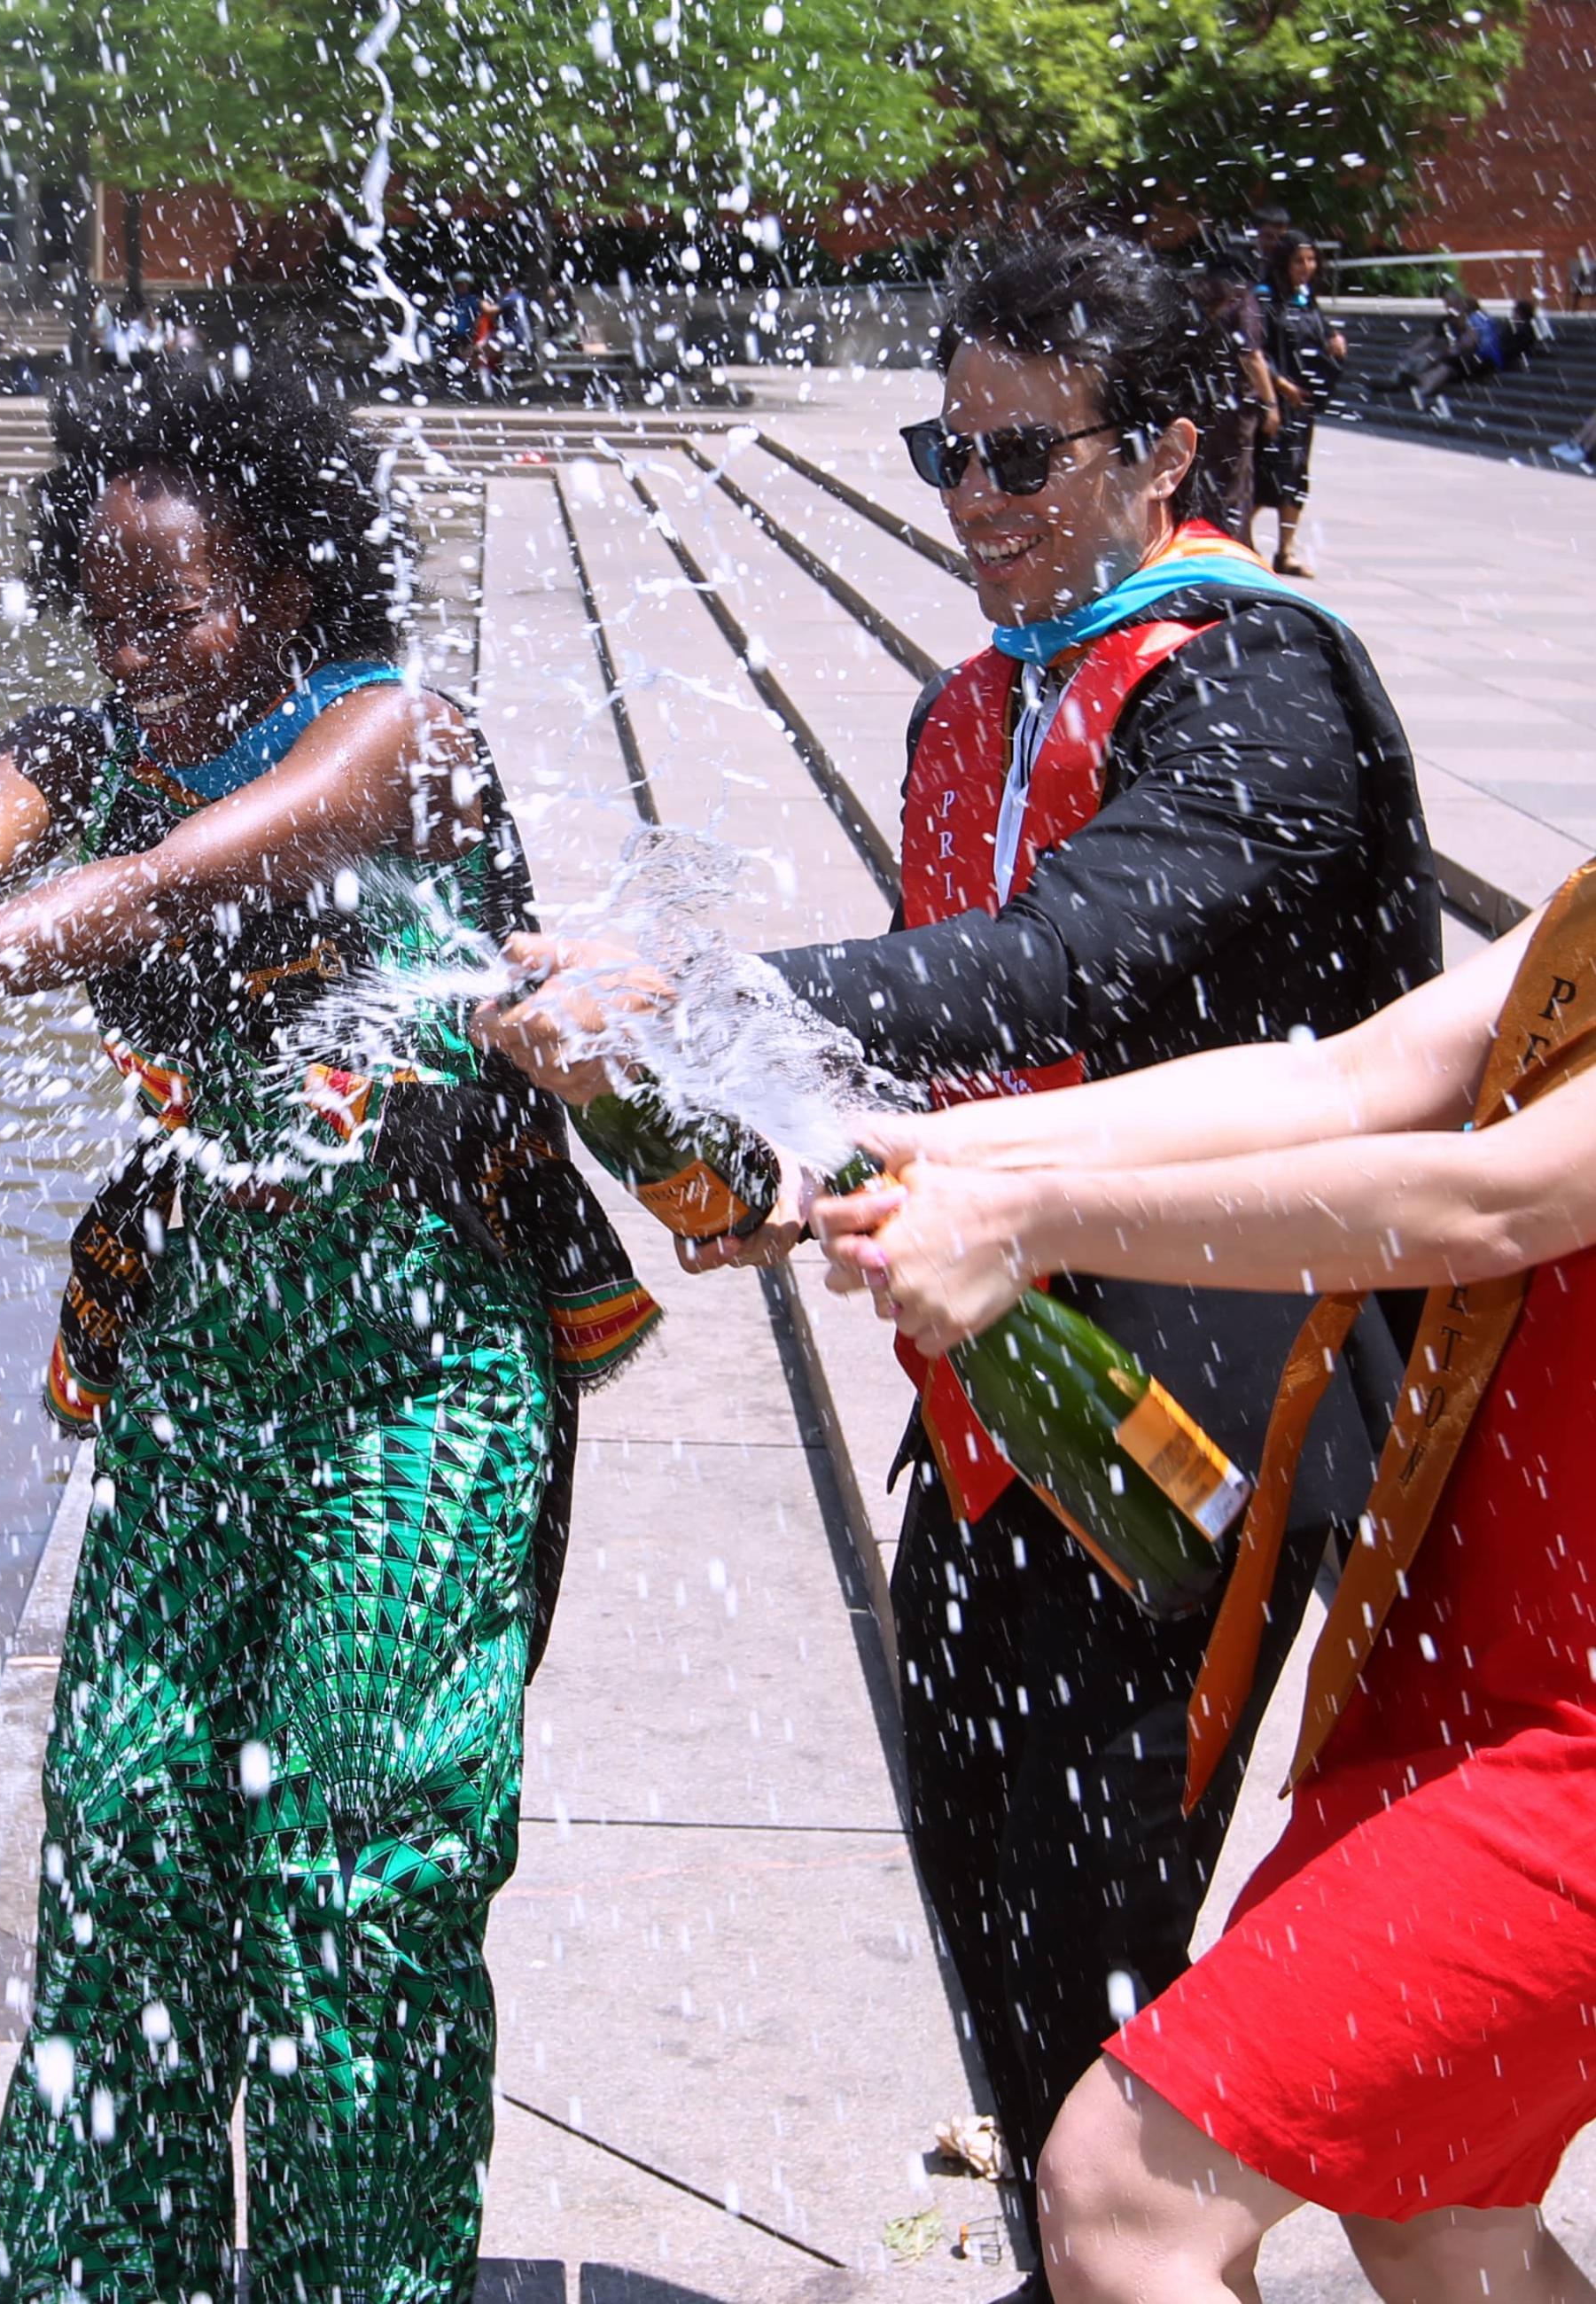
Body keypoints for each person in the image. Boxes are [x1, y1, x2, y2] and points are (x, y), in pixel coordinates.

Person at [0, 353, 658, 2304]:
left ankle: (364, 2279)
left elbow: (159, 886)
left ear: (282, 584)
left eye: (173, 606)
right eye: (105, 607)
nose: (138, 646)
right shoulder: (89, 744)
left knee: (355, 1849)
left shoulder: (394, 733)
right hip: (203, 1342)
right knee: (121, 1822)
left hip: (423, 1350)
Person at [474, 230, 1441, 2300]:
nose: (975, 496)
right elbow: (934, 1031)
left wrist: (706, 987)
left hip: (1211, 1407)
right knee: (989, 1881)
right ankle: (1063, 2256)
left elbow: (1072, 961)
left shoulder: (1254, 684)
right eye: (944, 445)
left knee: (1104, 1903)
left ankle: (1120, 2256)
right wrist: (717, 1096)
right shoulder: (973, 701)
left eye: (1023, 451)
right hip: (992, 1398)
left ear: (1164, 446)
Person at [808, 858, 1596, 2303]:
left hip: (1571, 1763)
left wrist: (1032, 1220)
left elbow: (1496, 1201)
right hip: (1478, 1681)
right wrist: (936, 1155)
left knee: (1129, 2199)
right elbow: (1349, 1081)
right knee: (1441, 2226)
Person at [1254, 234, 1344, 576]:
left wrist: (1334, 340)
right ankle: (1241, 543)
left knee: (1295, 474)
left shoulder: (1307, 300)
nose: (1307, 268)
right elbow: (1256, 349)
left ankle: (1285, 551)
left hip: (1304, 403)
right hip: (1274, 403)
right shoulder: (1266, 299)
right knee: (1267, 475)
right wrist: (1279, 386)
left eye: (1311, 260)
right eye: (1298, 261)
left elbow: (1320, 333)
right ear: (1283, 263)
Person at [1189, 253, 1279, 541]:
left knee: (1205, 477)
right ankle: (1229, 545)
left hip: (1204, 400)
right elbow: (1251, 357)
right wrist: (1271, 403)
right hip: (1236, 405)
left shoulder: (1200, 298)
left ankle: (1203, 538)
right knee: (1235, 483)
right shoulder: (1241, 301)